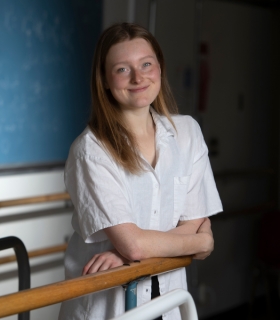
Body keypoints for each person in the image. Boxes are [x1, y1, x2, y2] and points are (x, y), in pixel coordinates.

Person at [58, 23, 222, 320]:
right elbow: (136, 244)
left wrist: (131, 251)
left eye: (146, 64)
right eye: (122, 69)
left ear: (160, 67)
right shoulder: (91, 150)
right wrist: (200, 242)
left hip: (168, 301)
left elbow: (193, 219)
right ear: (105, 80)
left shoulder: (186, 132)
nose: (138, 77)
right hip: (108, 305)